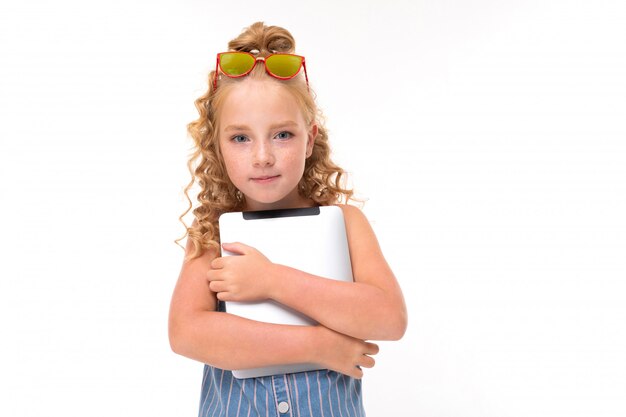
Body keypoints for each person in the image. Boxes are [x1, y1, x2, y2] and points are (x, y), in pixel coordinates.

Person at [168, 22, 407, 417]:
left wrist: (272, 280)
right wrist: (318, 346)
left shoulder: (345, 223)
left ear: (310, 138)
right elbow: (186, 333)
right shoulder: (212, 233)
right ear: (218, 146)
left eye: (282, 135)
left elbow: (389, 318)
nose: (262, 156)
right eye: (241, 138)